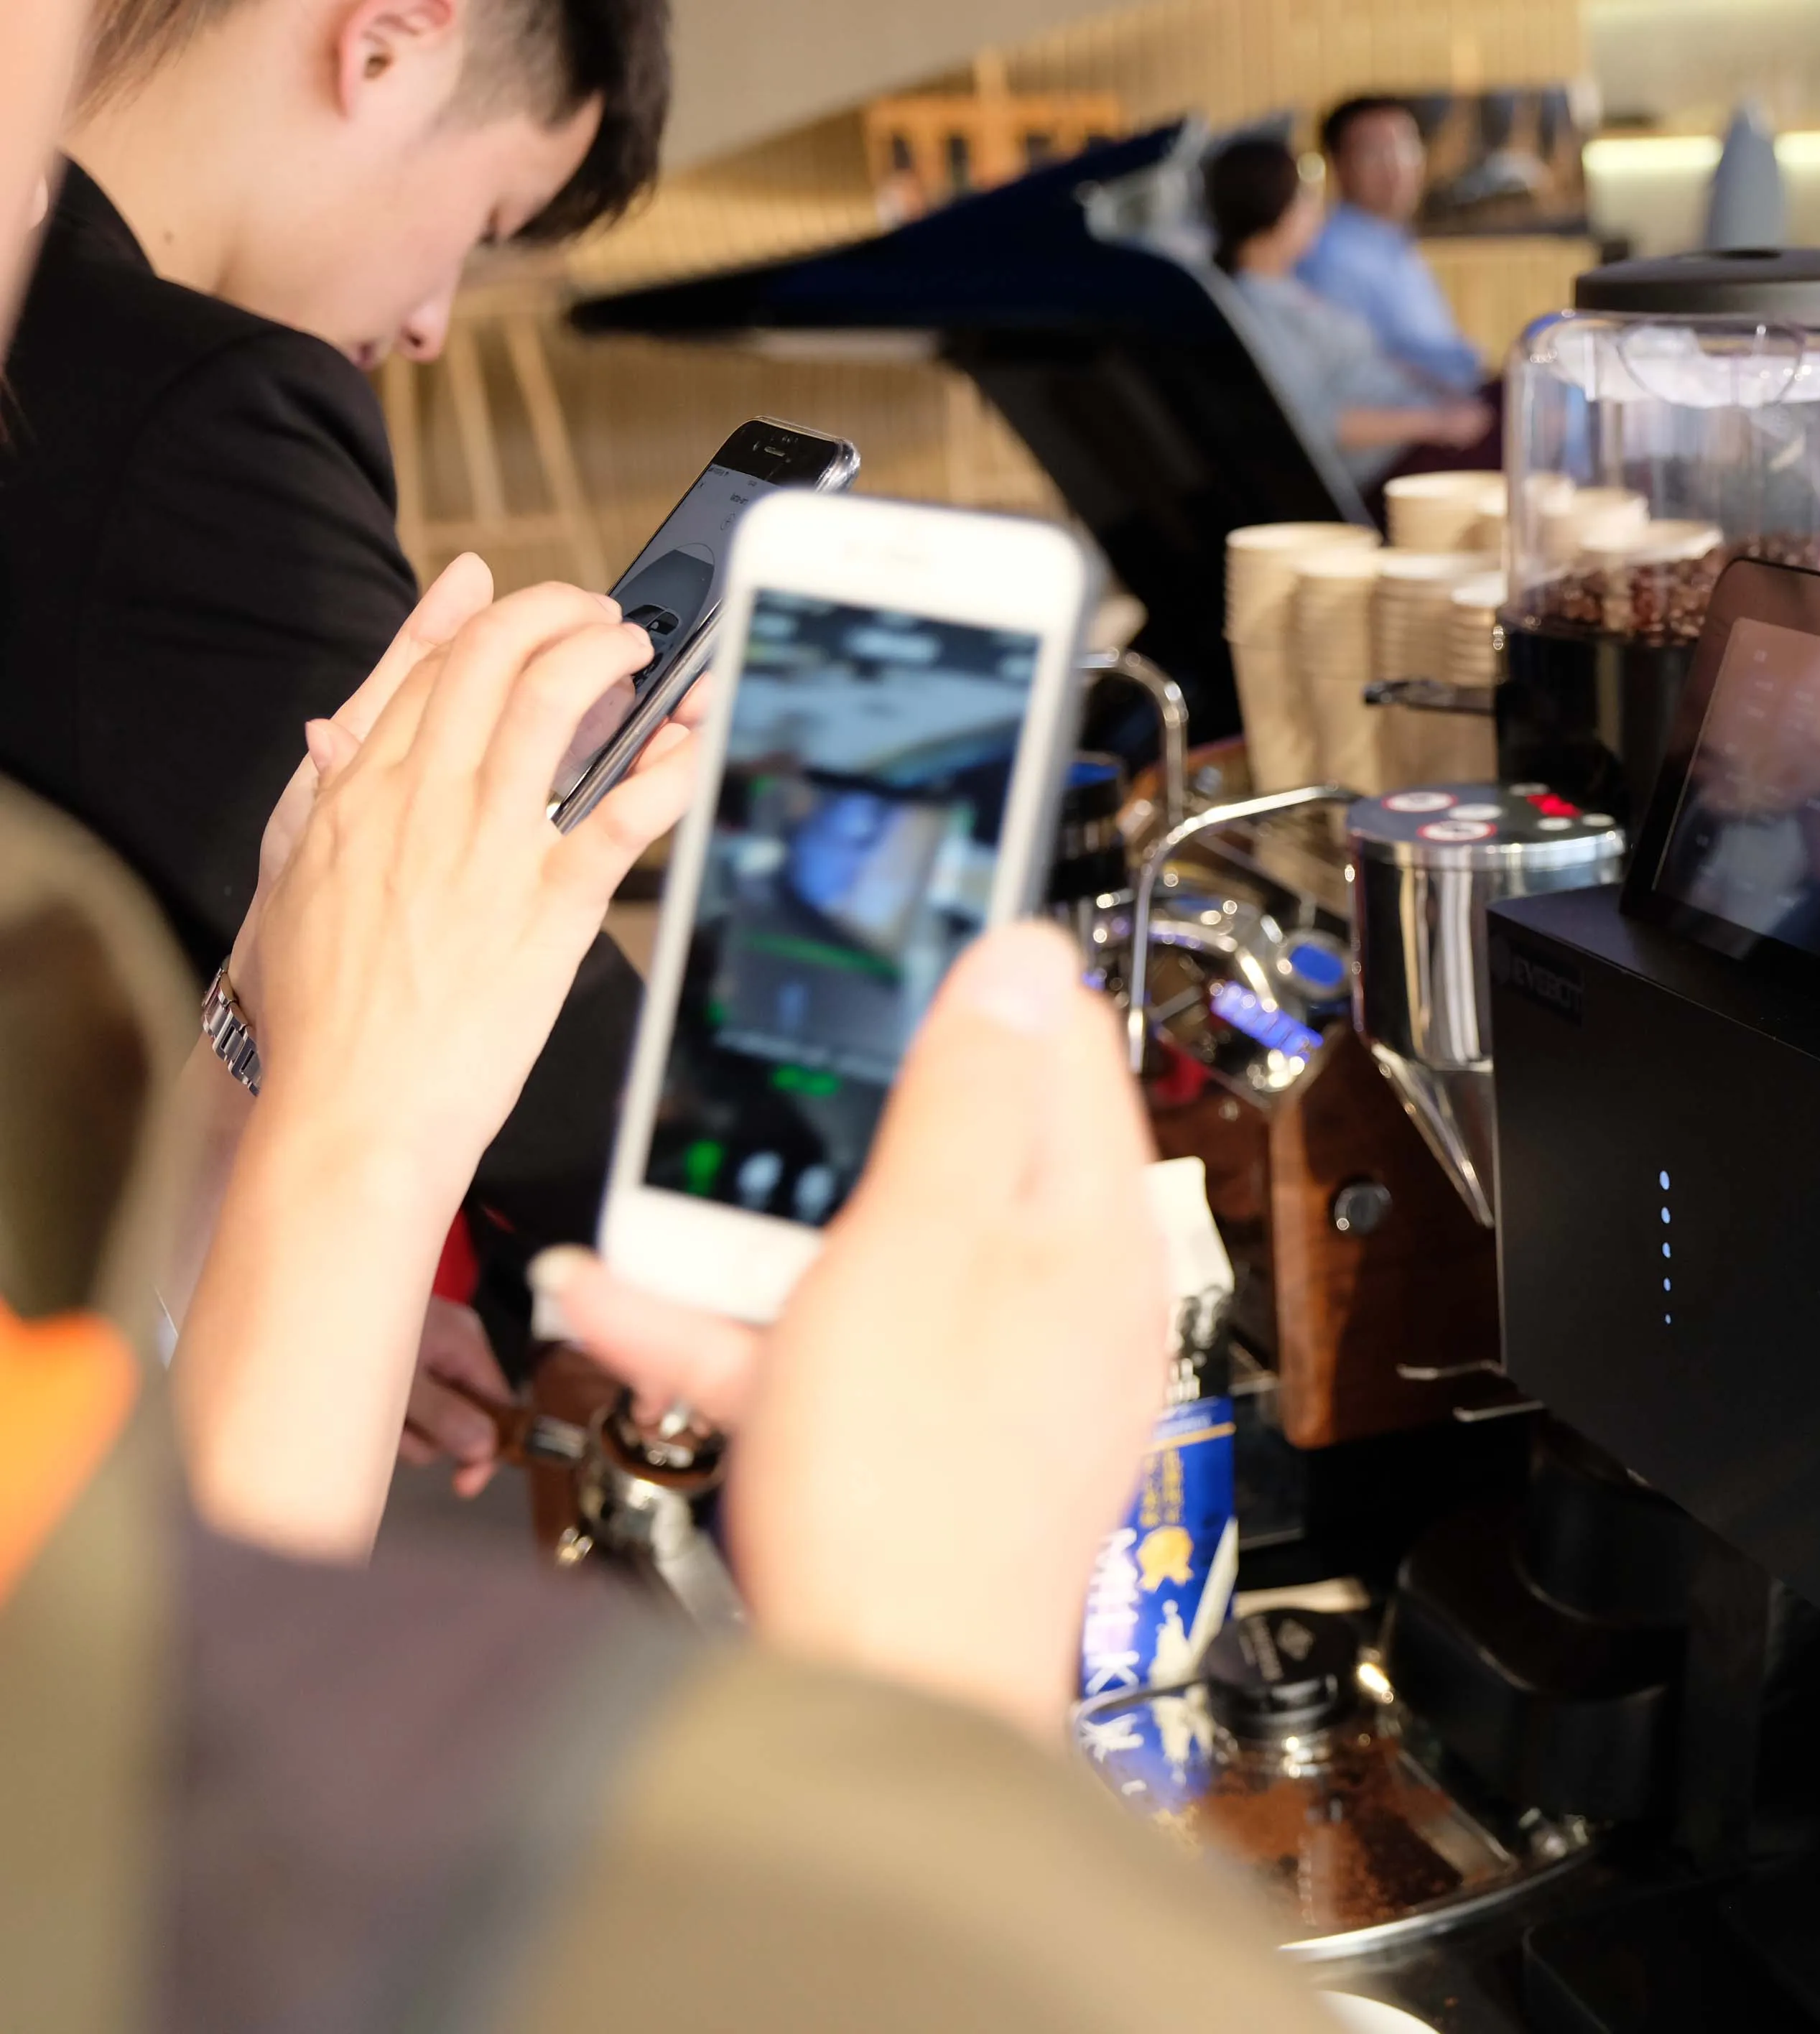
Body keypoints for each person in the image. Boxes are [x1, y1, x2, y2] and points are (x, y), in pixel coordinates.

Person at [0, 14, 1340, 2017]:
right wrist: (928, 1672)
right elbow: (160, 1867)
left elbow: (100, 1620)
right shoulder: (188, 397)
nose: (49, 210)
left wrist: (272, 1087)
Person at [0, 0, 676, 1483]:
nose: (433, 322)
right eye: (488, 223)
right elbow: (572, 1101)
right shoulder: (191, 408)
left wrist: (278, 1293)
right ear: (386, 41)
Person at [1204, 135, 1490, 488]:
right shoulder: (1256, 307)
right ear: (1272, 207)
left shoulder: (1286, 286)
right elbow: (1312, 423)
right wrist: (1438, 423)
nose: (1316, 210)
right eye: (1304, 197)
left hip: (1426, 422)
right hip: (1389, 465)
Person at [1297, 94, 1485, 396]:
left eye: (1406, 148)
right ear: (1337, 164)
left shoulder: (1394, 243)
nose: (1395, 167)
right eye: (1374, 153)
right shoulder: (1330, 258)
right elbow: (1352, 376)